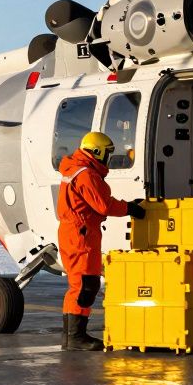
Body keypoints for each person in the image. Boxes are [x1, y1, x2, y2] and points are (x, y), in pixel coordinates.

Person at [57, 131, 144, 351]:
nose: (108, 159)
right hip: (81, 234)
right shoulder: (86, 174)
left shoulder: (76, 169)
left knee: (78, 285)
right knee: (85, 285)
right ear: (96, 152)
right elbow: (103, 205)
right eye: (107, 154)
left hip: (76, 232)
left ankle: (72, 337)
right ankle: (75, 337)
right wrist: (130, 208)